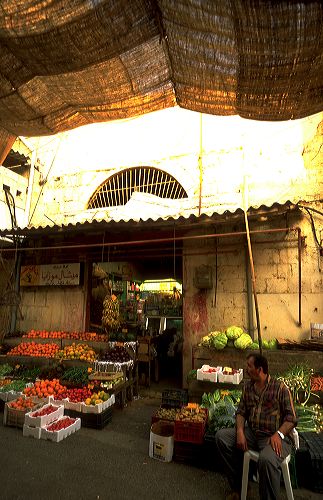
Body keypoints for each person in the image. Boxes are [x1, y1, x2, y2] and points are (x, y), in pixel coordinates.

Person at [215, 353, 297, 500]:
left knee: (266, 460)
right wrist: (240, 431)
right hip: (253, 434)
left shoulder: (280, 388)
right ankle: (240, 488)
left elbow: (292, 419)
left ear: (259, 369)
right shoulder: (248, 387)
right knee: (222, 437)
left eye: (249, 366)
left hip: (276, 437)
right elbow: (241, 412)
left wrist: (279, 434)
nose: (246, 369)